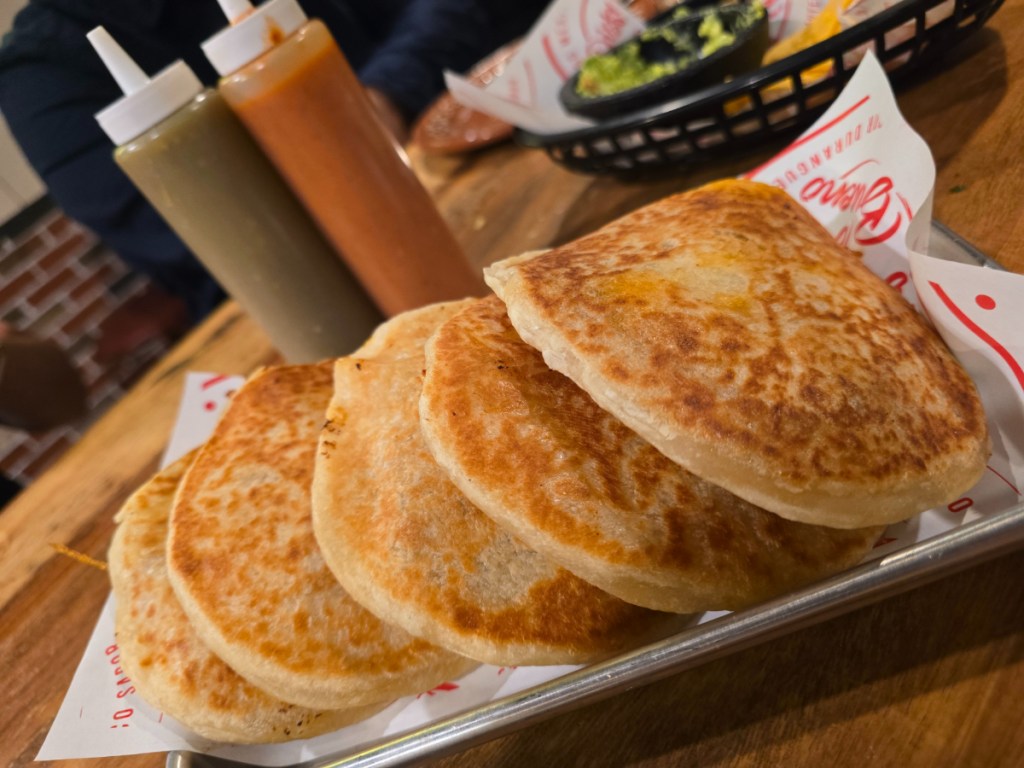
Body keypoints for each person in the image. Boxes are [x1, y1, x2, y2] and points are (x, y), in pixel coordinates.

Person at [0, 0, 549, 323]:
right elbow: (202, 236)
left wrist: (383, 91)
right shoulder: (40, 77)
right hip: (305, 320)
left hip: (485, 204)